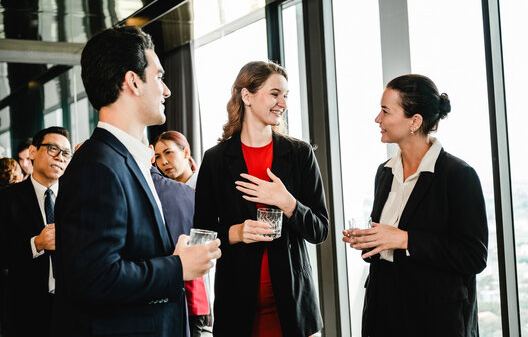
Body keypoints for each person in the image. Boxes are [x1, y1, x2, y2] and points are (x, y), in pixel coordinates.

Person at [53, 25, 221, 336]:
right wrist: (178, 267)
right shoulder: (98, 167)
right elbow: (94, 278)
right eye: (159, 76)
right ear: (133, 81)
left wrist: (174, 256)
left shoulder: (128, 160)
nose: (167, 90)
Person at [342, 74, 488, 336]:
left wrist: (405, 239)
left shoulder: (458, 175)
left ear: (415, 121)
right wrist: (372, 241)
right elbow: (390, 243)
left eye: (385, 111)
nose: (378, 119)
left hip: (435, 321)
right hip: (383, 314)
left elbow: (474, 256)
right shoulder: (384, 172)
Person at [193, 61, 328, 336]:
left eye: (286, 96)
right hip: (237, 306)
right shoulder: (216, 159)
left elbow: (320, 229)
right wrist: (237, 232)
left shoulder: (300, 154)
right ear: (247, 96)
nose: (283, 103)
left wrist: (287, 202)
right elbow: (202, 235)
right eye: (275, 93)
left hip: (293, 306)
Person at [0, 126, 72, 337]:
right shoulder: (7, 199)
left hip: (72, 308)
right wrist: (36, 244)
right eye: (52, 149)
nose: (60, 157)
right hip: (25, 310)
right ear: (33, 152)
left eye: (66, 153)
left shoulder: (77, 198)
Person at [150, 164, 210, 337]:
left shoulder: (151, 191)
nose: (164, 162)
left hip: (174, 288)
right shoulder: (187, 192)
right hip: (194, 292)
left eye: (168, 153)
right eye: (160, 156)